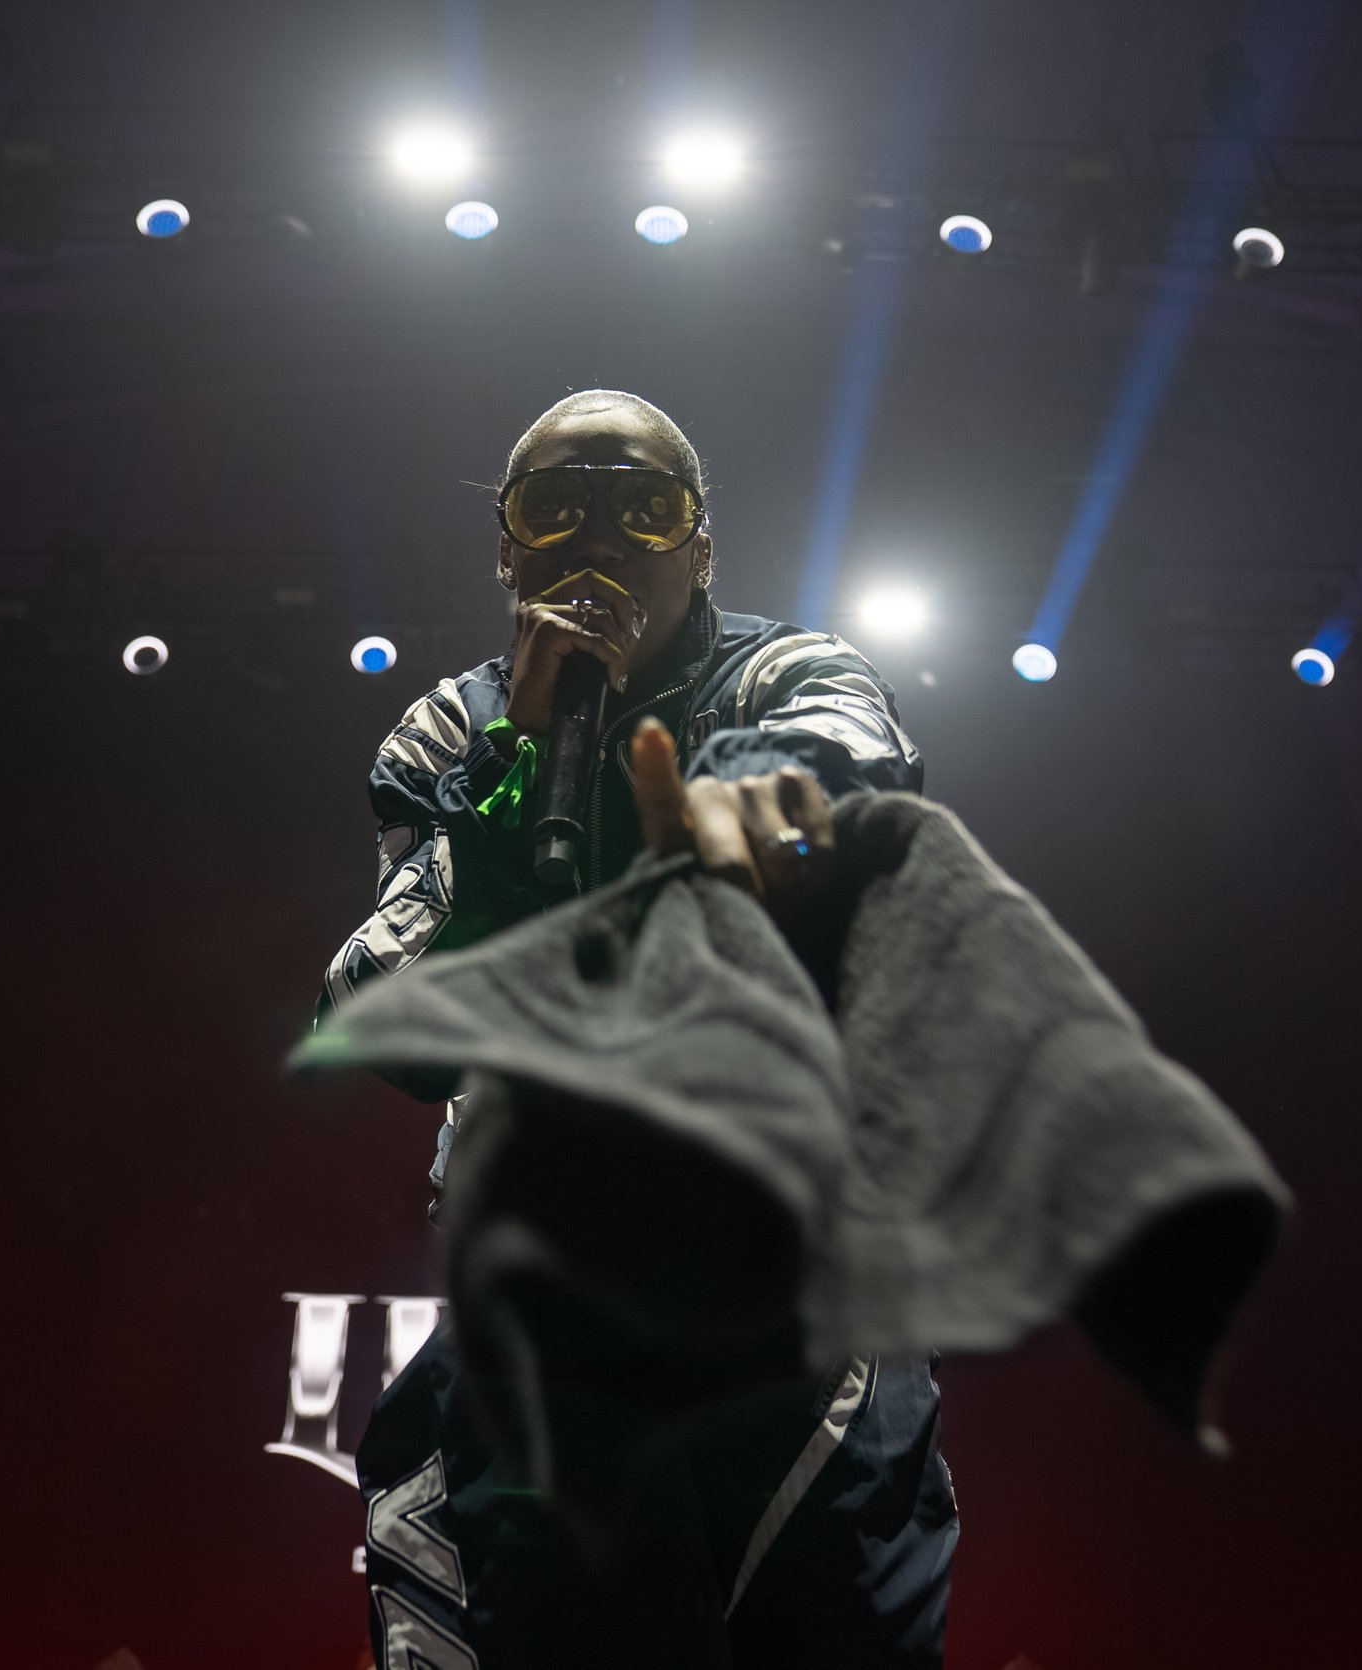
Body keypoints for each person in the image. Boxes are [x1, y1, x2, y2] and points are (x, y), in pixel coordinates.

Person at [319, 390, 955, 1666]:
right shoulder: (457, 730)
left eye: (643, 505)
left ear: (699, 551)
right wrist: (518, 768)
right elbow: (382, 1015)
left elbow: (813, 837)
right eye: (553, 506)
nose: (596, 535)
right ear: (507, 550)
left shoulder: (795, 673)